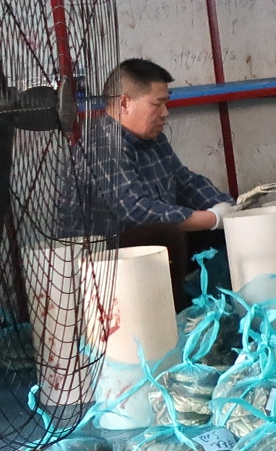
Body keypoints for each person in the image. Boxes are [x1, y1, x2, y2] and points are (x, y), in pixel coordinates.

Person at [59, 58, 234, 311]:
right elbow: (135, 211)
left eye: (166, 103)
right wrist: (211, 218)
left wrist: (226, 208)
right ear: (124, 103)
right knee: (167, 235)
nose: (165, 113)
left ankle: (223, 309)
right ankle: (176, 318)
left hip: (145, 237)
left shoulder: (154, 139)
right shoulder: (103, 143)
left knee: (227, 229)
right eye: (157, 104)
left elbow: (185, 182)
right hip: (100, 255)